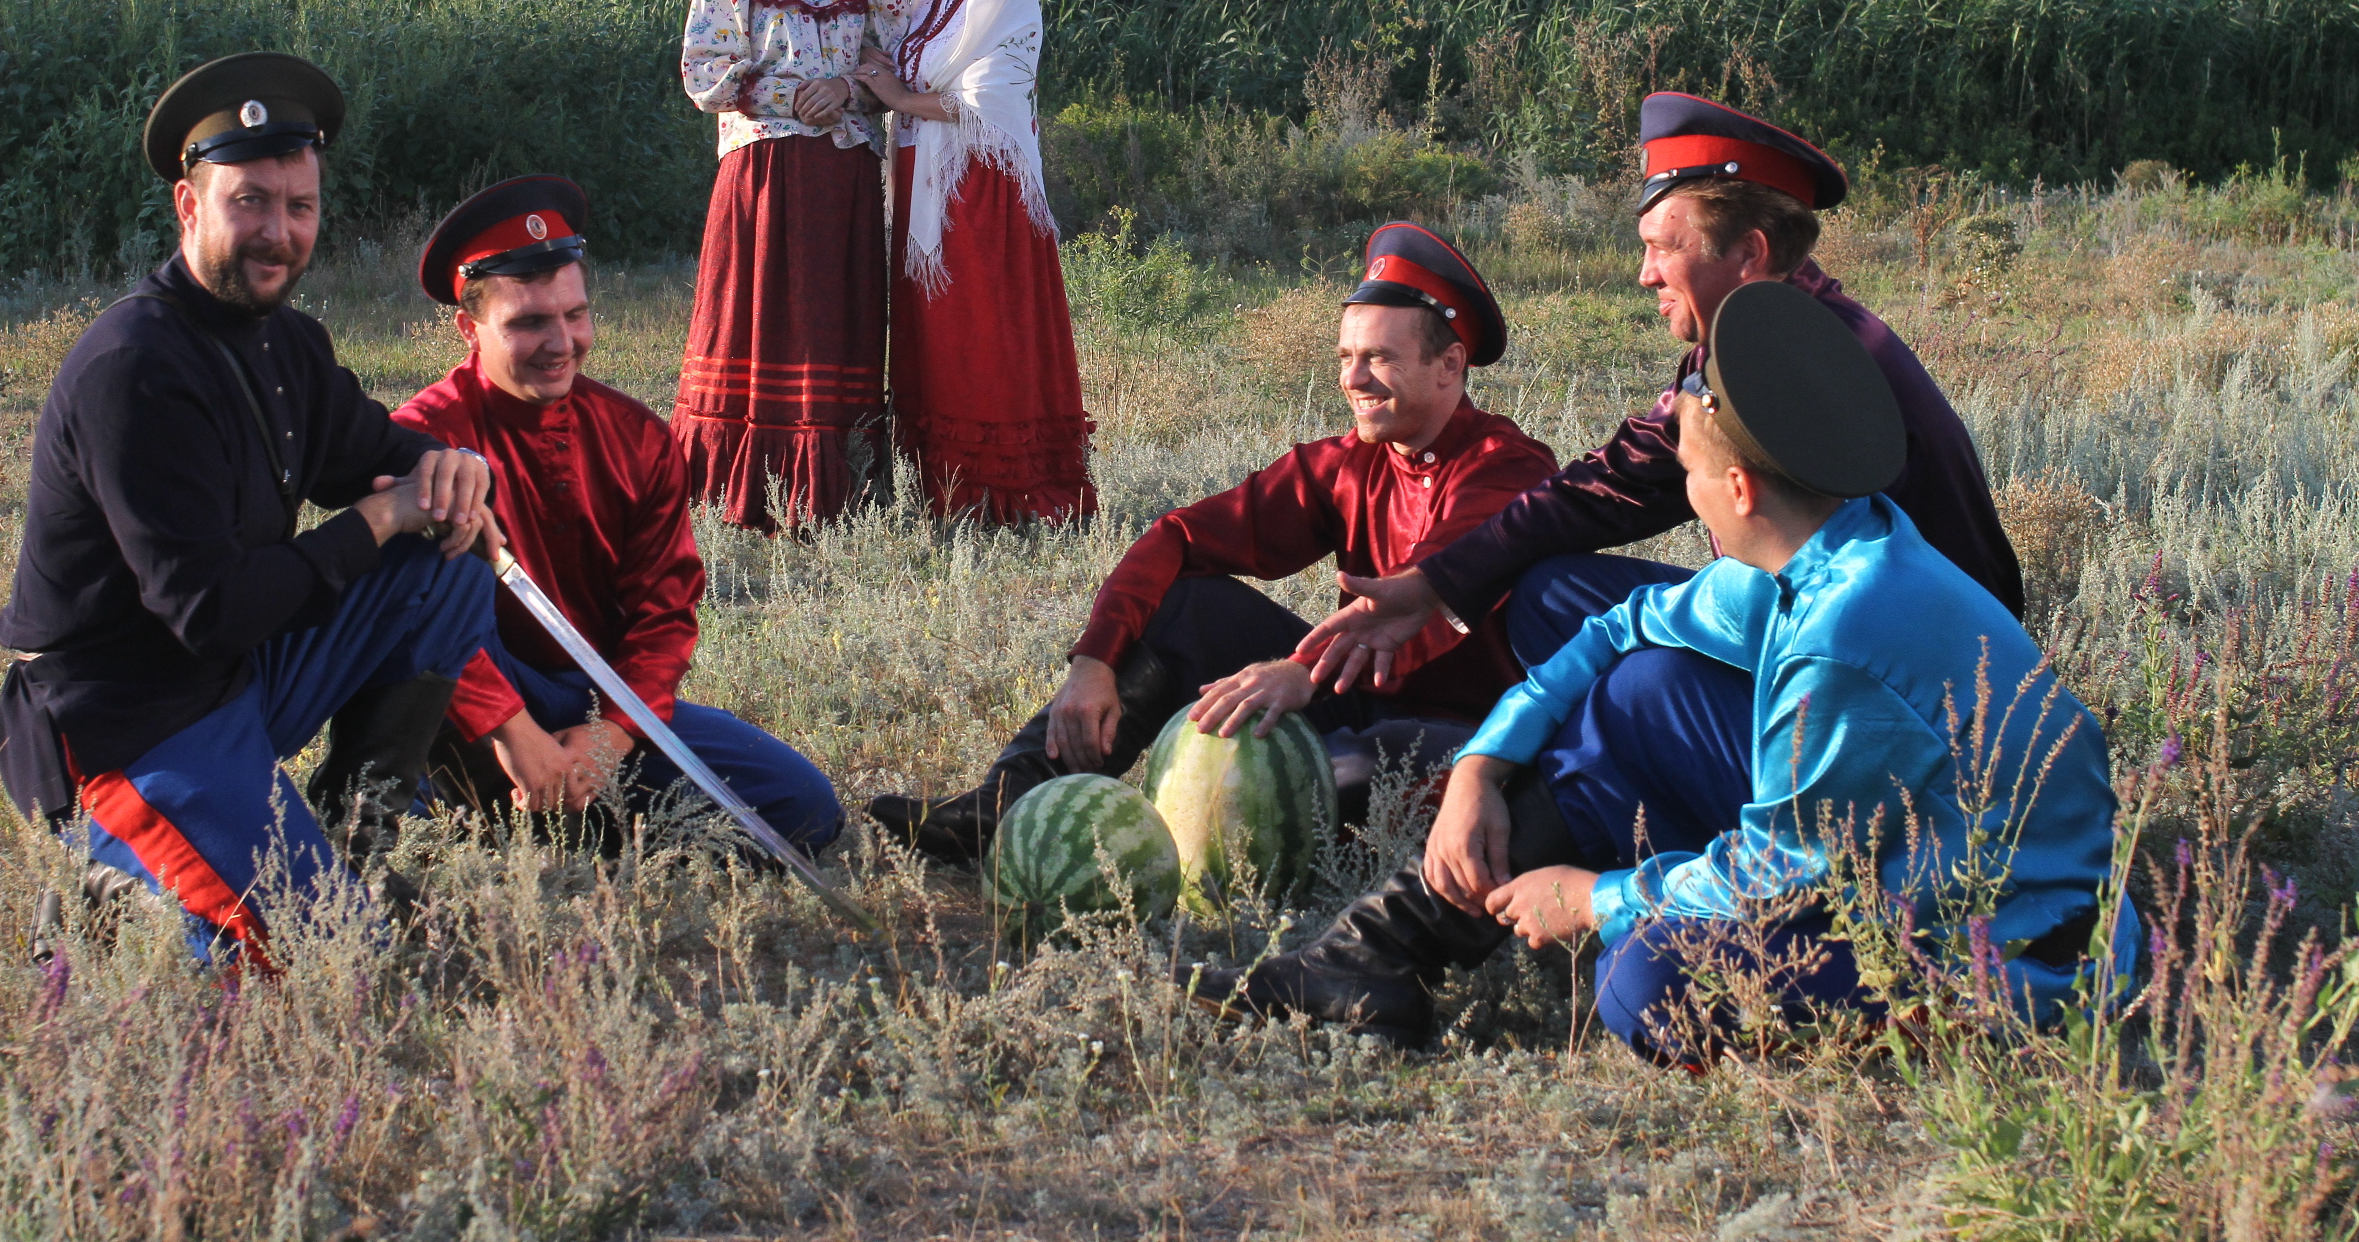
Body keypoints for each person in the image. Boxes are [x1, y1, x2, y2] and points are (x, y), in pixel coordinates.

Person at [1195, 281, 2136, 1061]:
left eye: (1687, 473)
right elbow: (1618, 627)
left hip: (2007, 938)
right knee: (1641, 688)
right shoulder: (1825, 546)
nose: (1681, 495)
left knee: (1642, 983)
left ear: (1738, 488)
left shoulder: (1841, 643)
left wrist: (1595, 896)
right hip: (1912, 842)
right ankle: (1376, 951)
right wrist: (1481, 766)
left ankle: (1963, 1038)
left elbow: (1779, 869)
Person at [0, 53, 508, 971]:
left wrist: (454, 470)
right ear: (190, 208)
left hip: (238, 679)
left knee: (448, 571)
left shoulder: (291, 343)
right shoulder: (135, 368)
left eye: (299, 206)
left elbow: (380, 454)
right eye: (251, 203)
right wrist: (382, 519)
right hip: (125, 718)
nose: (279, 232)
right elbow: (211, 611)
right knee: (333, 964)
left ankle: (358, 837)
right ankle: (114, 878)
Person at [1299, 90, 2023, 706]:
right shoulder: (1781, 333)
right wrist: (1439, 582)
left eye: (1664, 247)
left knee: (1605, 649)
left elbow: (1826, 608)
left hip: (1901, 692)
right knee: (1560, 595)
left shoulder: (1799, 369)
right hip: (1866, 651)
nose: (1645, 274)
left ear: (1750, 254)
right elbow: (1614, 482)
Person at [867, 223, 1559, 862]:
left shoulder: (1508, 468)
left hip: (1475, 733)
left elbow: (1424, 599)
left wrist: (1301, 672)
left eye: (1379, 357)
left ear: (1449, 365)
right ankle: (1006, 805)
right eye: (1347, 356)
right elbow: (1179, 537)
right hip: (1360, 692)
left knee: (1343, 779)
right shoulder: (1346, 463)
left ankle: (1181, 851)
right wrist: (1094, 660)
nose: (1351, 379)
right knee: (1190, 607)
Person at [393, 177, 844, 854]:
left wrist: (615, 733)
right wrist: (512, 728)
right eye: (528, 323)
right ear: (470, 326)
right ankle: (478, 807)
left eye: (575, 315)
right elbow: (411, 620)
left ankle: (562, 815)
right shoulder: (421, 439)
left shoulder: (637, 437)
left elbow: (665, 614)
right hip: (470, 711)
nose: (562, 342)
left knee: (804, 808)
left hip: (594, 703)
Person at [674, 0, 912, 533]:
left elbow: (903, 69)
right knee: (756, 314)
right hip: (765, 169)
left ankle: (841, 486)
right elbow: (704, 75)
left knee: (833, 317)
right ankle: (741, 485)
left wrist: (847, 87)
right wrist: (795, 95)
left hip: (843, 172)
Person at [849, 0, 1094, 523]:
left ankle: (1002, 491)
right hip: (924, 183)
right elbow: (905, 66)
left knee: (980, 333)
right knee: (935, 336)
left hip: (979, 192)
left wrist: (897, 95)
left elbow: (989, 102)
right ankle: (947, 489)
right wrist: (876, 74)